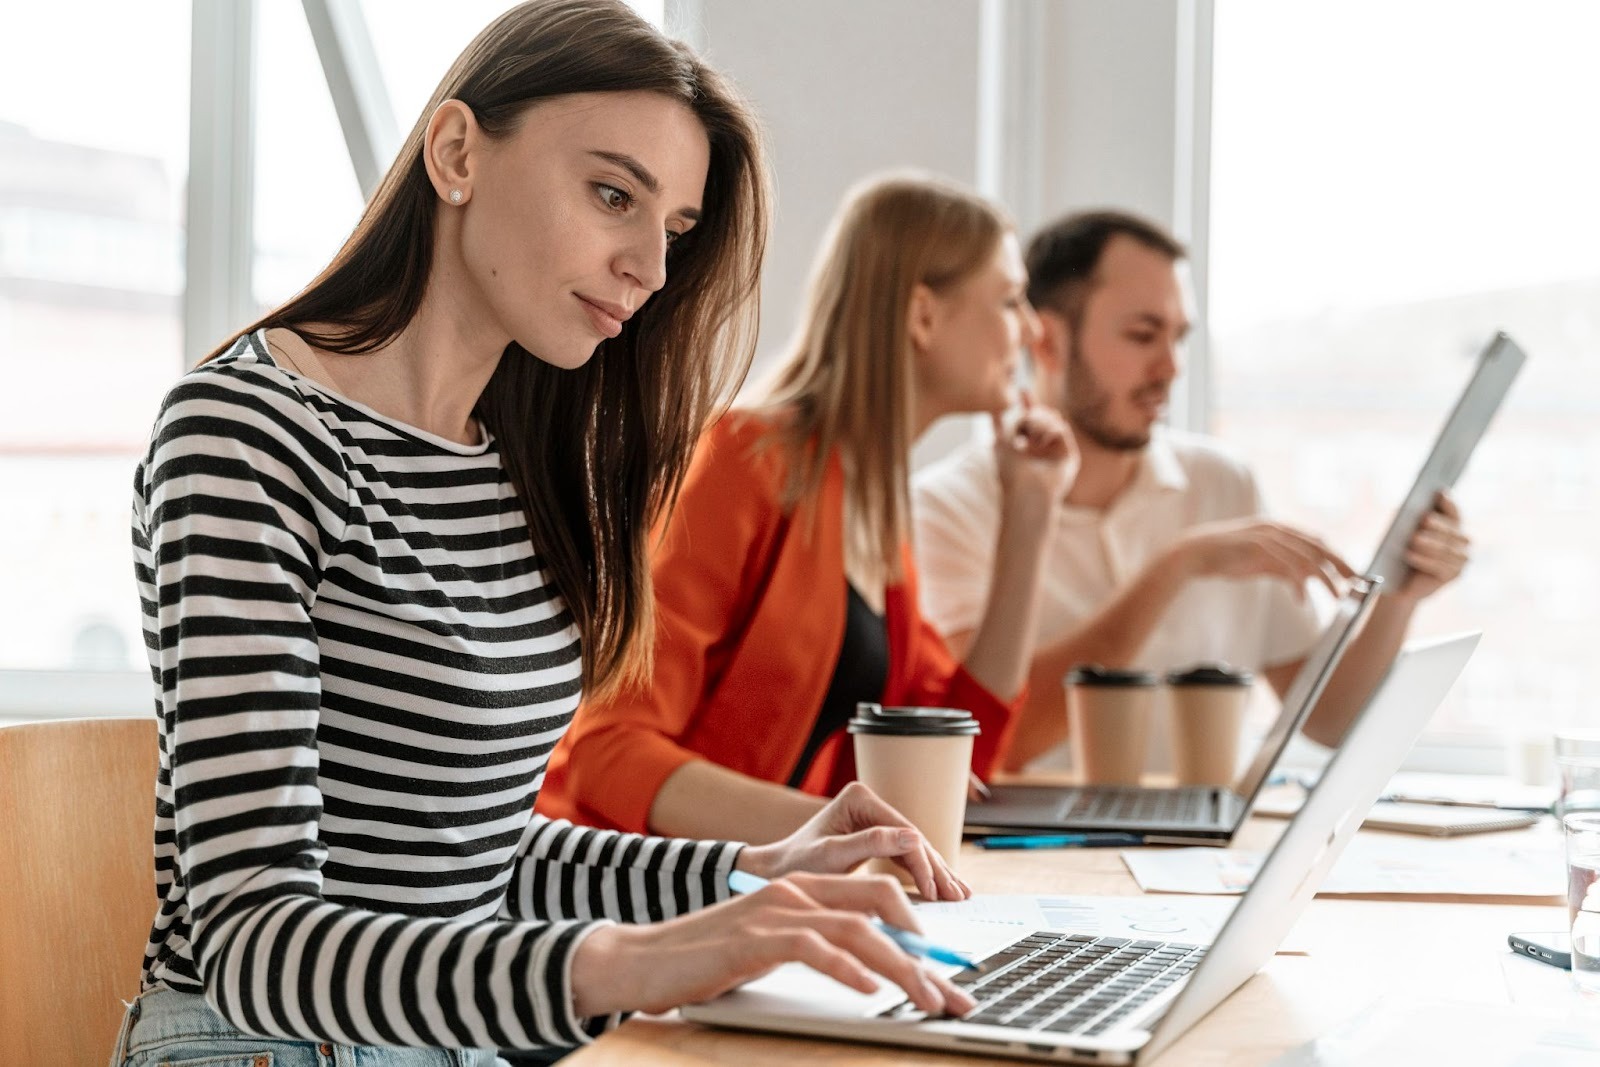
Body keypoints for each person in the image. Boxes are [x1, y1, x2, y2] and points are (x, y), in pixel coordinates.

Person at [115, 5, 979, 1064]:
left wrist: (751, 870)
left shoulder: (520, 464)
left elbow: (464, 854)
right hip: (262, 1042)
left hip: (457, 1034)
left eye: (671, 230)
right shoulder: (245, 432)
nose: (650, 270)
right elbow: (255, 942)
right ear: (457, 152)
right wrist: (635, 958)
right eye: (612, 194)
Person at [537, 173, 1077, 841]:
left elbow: (955, 747)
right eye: (1011, 299)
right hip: (627, 899)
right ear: (923, 315)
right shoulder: (745, 461)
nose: (1029, 330)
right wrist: (840, 833)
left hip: (753, 895)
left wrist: (1031, 517)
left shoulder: (869, 505)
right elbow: (606, 751)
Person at [912, 209, 1470, 772]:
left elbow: (1326, 719)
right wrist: (1175, 567)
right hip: (1043, 855)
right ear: (1048, 341)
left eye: (1178, 337)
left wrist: (1399, 600)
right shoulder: (946, 508)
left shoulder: (1222, 483)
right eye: (1143, 335)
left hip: (1204, 851)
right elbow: (997, 741)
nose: (1171, 367)